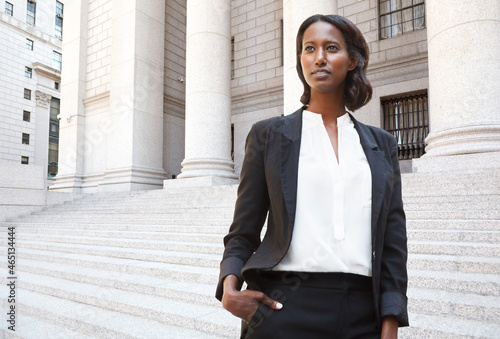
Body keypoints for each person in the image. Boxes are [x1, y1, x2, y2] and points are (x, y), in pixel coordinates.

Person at [216, 14, 408, 339]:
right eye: (309, 48)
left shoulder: (382, 145)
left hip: (362, 311)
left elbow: (393, 243)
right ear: (301, 60)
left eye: (331, 48)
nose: (319, 57)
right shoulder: (268, 136)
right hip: (282, 309)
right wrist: (229, 287)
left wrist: (390, 322)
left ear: (352, 60)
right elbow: (243, 233)